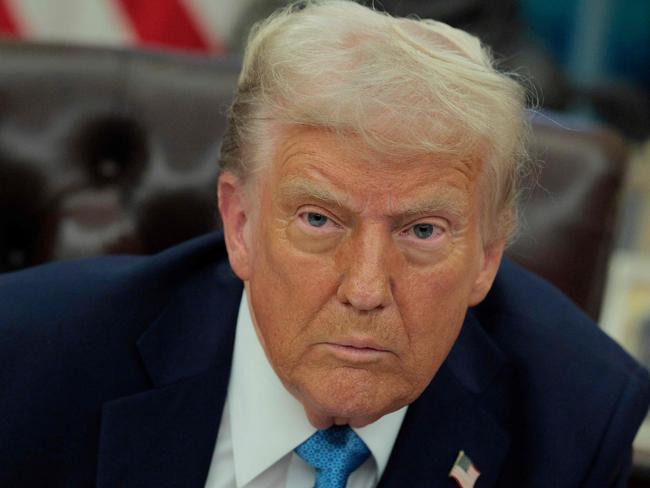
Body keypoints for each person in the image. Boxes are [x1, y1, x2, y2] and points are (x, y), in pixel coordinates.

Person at [0, 1, 648, 487]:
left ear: (486, 257)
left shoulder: (576, 417)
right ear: (241, 224)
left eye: (422, 231)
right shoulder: (27, 358)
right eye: (318, 220)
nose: (365, 289)